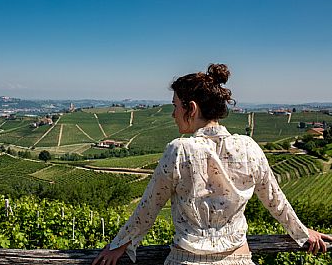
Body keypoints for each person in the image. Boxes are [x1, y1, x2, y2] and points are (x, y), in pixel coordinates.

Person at [92, 64, 332, 265]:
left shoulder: (179, 150)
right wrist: (302, 233)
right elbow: (274, 199)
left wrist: (119, 244)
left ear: (191, 108)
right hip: (239, 259)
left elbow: (149, 208)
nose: (173, 114)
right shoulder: (249, 148)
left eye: (176, 106)